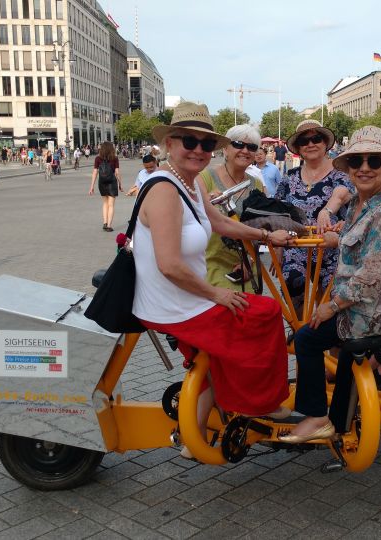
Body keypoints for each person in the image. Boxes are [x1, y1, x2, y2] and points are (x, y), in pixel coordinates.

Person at [132, 102, 292, 454]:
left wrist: (266, 236)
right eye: (189, 141)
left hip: (182, 297)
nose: (199, 150)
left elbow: (219, 223)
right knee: (263, 313)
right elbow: (170, 265)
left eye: (206, 144)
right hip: (172, 304)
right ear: (169, 144)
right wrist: (215, 294)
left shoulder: (188, 184)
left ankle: (197, 430)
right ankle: (260, 402)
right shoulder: (164, 189)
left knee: (229, 340)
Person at [281, 126, 381, 442]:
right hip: (364, 310)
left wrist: (331, 306)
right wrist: (340, 236)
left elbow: (368, 278)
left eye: (374, 161)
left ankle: (316, 417)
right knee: (315, 334)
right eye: (356, 162)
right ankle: (338, 419)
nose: (364, 168)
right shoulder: (360, 203)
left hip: (379, 315)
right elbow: (361, 248)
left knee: (306, 338)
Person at [273, 120, 353, 300]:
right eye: (304, 141)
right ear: (298, 148)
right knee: (291, 285)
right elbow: (278, 209)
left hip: (329, 246)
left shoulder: (340, 172)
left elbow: (339, 195)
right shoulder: (290, 176)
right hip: (296, 246)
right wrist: (277, 245)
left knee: (329, 297)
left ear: (325, 143)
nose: (310, 144)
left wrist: (326, 212)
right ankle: (298, 328)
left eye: (316, 139)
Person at [199, 124, 266, 291]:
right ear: (226, 149)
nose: (245, 150)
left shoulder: (256, 184)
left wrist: (250, 260)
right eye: (238, 144)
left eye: (251, 147)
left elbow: (262, 226)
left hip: (246, 264)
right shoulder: (204, 178)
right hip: (210, 262)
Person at [88, 141, 123, 232]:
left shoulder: (98, 158)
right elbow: (117, 172)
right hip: (112, 182)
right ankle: (109, 225)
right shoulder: (115, 158)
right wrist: (120, 184)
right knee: (111, 205)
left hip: (102, 182)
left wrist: (92, 186)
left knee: (105, 203)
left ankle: (104, 222)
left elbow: (95, 172)